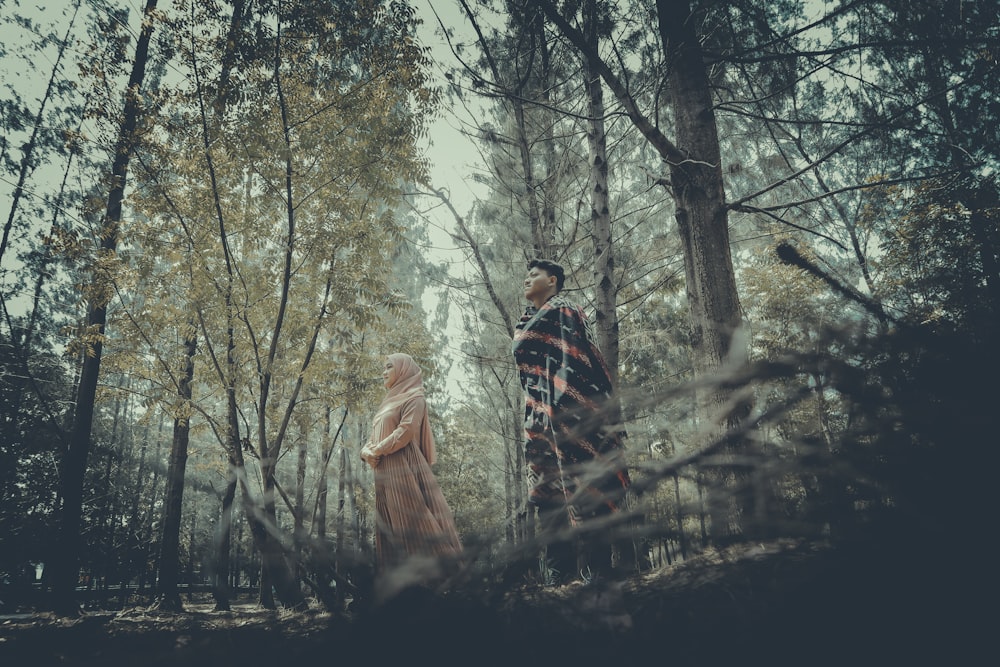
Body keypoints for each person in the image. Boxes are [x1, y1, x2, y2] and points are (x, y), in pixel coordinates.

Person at [511, 258, 632, 582]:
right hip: (538, 421)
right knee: (548, 497)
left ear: (552, 281)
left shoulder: (564, 309)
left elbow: (577, 360)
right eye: (526, 275)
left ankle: (600, 576)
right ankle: (558, 581)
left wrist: (571, 410)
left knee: (587, 488)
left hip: (573, 412)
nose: (527, 279)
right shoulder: (525, 321)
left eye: (533, 275)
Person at [360, 353, 462, 591]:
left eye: (388, 367)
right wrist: (366, 452)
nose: (383, 372)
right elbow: (371, 439)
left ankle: (439, 581)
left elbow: (406, 432)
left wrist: (378, 449)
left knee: (413, 523)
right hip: (384, 471)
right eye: (383, 368)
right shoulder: (387, 403)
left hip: (404, 467)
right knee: (389, 526)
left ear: (404, 370)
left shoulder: (415, 398)